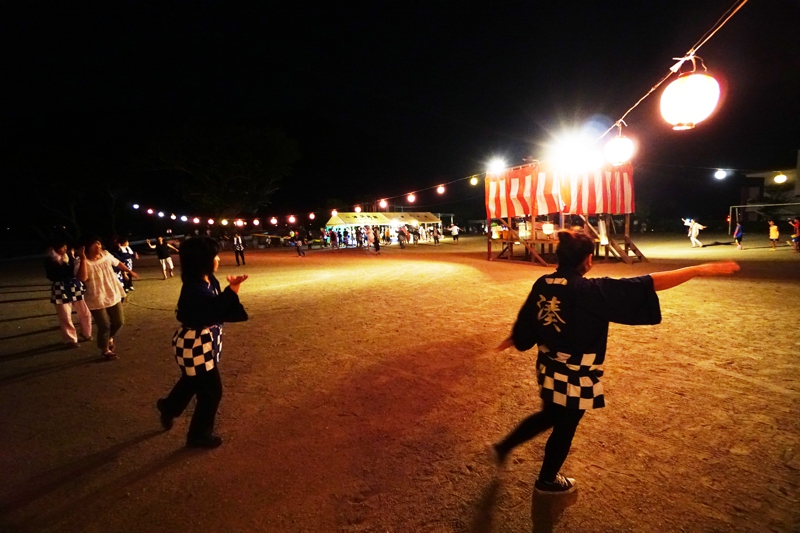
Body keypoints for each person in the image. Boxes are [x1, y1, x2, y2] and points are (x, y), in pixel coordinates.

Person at [490, 231, 739, 494]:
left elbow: (528, 320)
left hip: (548, 367)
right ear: (588, 259)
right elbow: (648, 283)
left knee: (550, 414)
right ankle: (547, 480)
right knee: (565, 426)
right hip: (575, 375)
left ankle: (504, 447)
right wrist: (697, 270)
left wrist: (516, 337)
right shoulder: (589, 290)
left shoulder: (543, 283)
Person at [156, 237, 248, 449]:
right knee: (211, 391)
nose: (218, 259)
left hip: (202, 340)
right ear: (202, 260)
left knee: (192, 381)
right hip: (194, 344)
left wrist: (231, 289)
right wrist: (233, 290)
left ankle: (169, 407)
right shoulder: (194, 289)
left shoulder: (207, 279)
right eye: (214, 256)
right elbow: (213, 310)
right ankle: (198, 435)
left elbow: (216, 307)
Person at [77, 237, 138, 359]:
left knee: (118, 321)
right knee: (104, 325)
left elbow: (117, 263)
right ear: (87, 248)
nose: (98, 246)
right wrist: (83, 259)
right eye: (94, 245)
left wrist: (129, 271)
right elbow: (82, 278)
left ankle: (109, 337)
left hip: (112, 292)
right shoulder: (81, 261)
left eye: (99, 244)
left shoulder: (106, 255)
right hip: (96, 296)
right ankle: (105, 349)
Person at [44, 240, 92, 348]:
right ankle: (70, 339)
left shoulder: (69, 256)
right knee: (65, 315)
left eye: (65, 246)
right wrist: (64, 268)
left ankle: (86, 333)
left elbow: (76, 271)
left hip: (74, 285)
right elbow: (51, 276)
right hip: (60, 287)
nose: (65, 248)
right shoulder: (50, 260)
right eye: (62, 247)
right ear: (55, 248)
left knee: (84, 311)